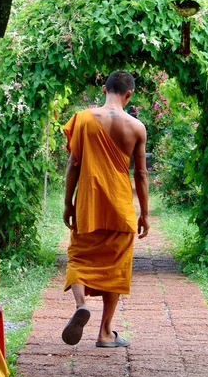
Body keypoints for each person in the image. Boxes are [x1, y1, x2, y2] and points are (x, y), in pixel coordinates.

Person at [62, 71, 149, 347]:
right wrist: (144, 213)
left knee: (78, 257)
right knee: (116, 267)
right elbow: (142, 175)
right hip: (120, 206)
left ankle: (80, 305)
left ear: (104, 89)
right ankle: (105, 333)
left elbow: (73, 165)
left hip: (89, 203)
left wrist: (68, 202)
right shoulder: (136, 127)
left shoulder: (84, 119)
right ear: (129, 94)